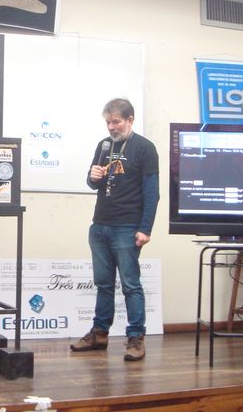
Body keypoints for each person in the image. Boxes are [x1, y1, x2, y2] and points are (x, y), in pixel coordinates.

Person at [70, 98, 159, 361]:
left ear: (130, 120)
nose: (111, 127)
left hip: (127, 226)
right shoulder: (104, 145)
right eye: (108, 122)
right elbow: (93, 182)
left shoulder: (145, 148)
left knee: (130, 284)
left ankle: (136, 337)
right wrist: (92, 177)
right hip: (100, 225)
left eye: (116, 122)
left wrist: (145, 229)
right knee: (103, 284)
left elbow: (152, 193)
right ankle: (99, 333)